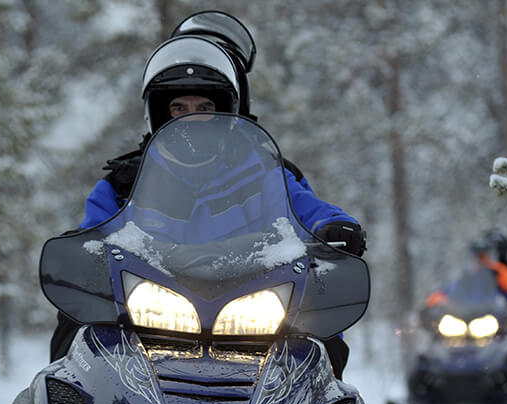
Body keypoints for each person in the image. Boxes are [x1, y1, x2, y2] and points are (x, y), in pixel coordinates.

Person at [50, 11, 365, 377]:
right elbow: (92, 234)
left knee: (318, 324)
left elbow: (311, 210)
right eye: (178, 108)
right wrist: (81, 250)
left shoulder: (261, 172)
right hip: (148, 315)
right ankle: (69, 397)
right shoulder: (124, 184)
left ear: (227, 111)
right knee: (76, 319)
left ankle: (321, 403)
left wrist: (336, 226)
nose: (191, 118)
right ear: (159, 114)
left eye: (205, 108)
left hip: (252, 316)